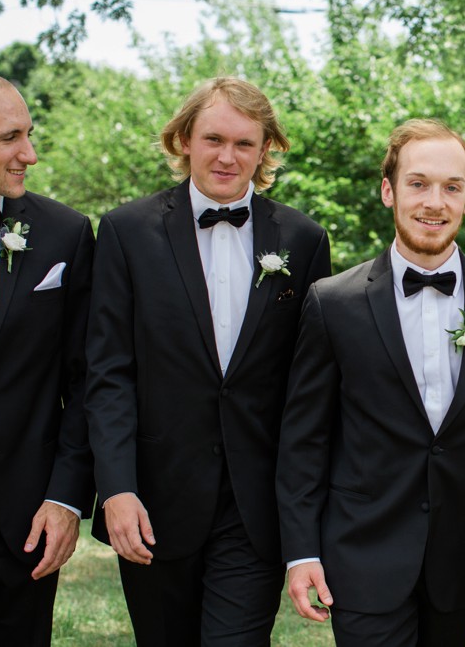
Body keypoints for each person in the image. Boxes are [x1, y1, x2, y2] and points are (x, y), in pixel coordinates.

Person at [276, 118, 465, 647]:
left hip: (462, 556)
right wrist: (302, 551)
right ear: (389, 190)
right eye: (418, 183)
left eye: (452, 187)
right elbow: (304, 440)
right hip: (361, 552)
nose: (435, 202)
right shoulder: (333, 302)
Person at [85, 77, 331, 646]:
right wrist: (116, 488)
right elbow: (108, 372)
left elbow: (308, 384)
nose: (228, 156)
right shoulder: (125, 232)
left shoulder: (303, 239)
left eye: (245, 143)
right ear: (183, 140)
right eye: (214, 138)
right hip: (153, 501)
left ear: (267, 148)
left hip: (256, 504)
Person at [0, 71, 94, 646]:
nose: (28, 154)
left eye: (29, 134)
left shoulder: (65, 235)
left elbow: (87, 380)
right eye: (10, 138)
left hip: (27, 513)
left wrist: (65, 498)